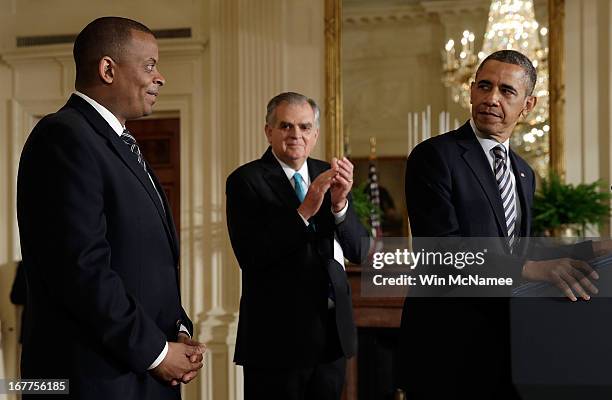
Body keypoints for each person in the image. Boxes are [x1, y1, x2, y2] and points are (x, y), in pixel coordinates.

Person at [397, 50, 603, 398]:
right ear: (472, 91)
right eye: (484, 86)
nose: (491, 98)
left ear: (528, 105)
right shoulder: (435, 156)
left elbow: (523, 250)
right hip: (447, 347)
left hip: (507, 346)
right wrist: (533, 268)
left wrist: (596, 247)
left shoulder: (524, 173)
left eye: (506, 91)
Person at [17, 17, 203, 400]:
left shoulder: (120, 144)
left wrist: (177, 330)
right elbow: (82, 269)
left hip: (140, 376)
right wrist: (157, 352)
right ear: (107, 69)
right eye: (150, 65)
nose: (160, 77)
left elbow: (142, 263)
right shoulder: (63, 136)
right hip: (93, 380)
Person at [226, 92, 368, 400]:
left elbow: (359, 251)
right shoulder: (245, 180)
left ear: (315, 133)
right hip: (276, 341)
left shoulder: (329, 174)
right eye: (286, 126)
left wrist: (340, 203)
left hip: (331, 337)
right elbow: (251, 256)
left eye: (304, 127)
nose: (296, 135)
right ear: (269, 131)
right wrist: (305, 210)